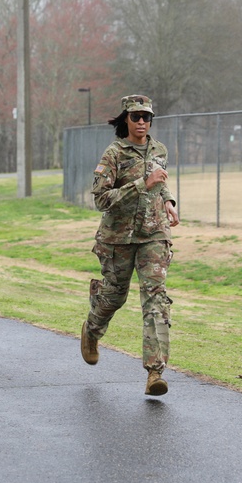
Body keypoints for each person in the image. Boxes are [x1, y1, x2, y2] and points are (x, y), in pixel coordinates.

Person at [80, 94, 180, 396]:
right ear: (126, 119)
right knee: (115, 295)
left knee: (155, 299)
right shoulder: (114, 153)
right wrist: (141, 185)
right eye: (136, 117)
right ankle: (92, 330)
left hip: (154, 235)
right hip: (118, 238)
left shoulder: (158, 149)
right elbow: (100, 199)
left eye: (146, 117)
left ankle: (155, 373)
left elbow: (160, 181)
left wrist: (169, 201)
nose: (141, 122)